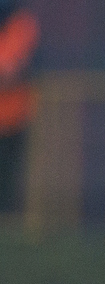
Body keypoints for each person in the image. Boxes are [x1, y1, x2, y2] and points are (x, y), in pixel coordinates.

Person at [0, 0, 38, 215]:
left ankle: (6, 216)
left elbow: (9, 73)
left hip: (13, 119)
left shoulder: (20, 24)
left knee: (7, 177)